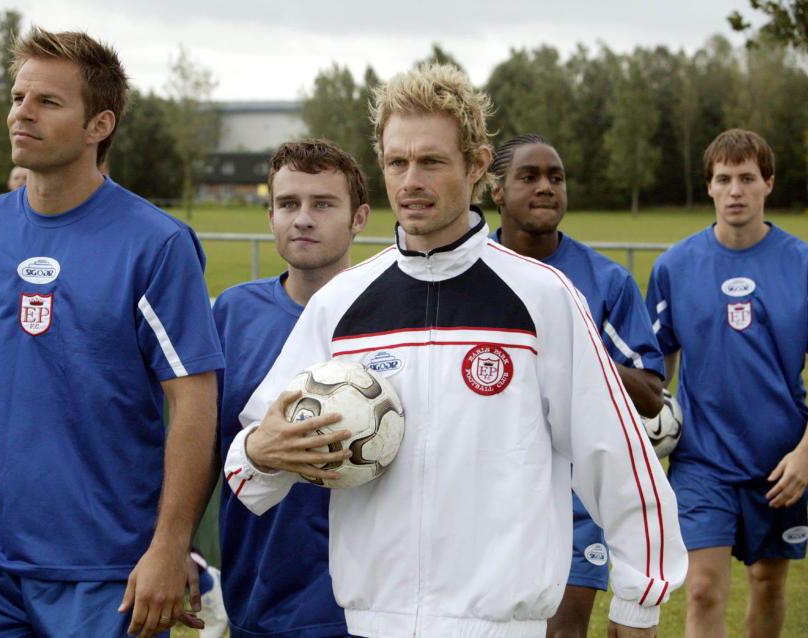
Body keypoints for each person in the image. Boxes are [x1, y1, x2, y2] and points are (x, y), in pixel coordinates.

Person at [225, 64, 686, 638]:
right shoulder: (341, 304)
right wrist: (263, 452)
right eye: (397, 162)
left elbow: (613, 454)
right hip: (371, 625)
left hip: (501, 626)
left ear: (475, 166)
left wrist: (640, 599)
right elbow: (249, 468)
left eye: (431, 161)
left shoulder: (541, 298)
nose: (410, 180)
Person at [0, 28, 223, 638]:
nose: (22, 113)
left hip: (106, 569)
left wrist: (170, 547)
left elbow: (194, 398)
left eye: (48, 102)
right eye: (17, 97)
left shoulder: (157, 244)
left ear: (100, 125)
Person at [488, 134, 666, 638]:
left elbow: (652, 396)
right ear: (496, 190)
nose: (545, 187)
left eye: (556, 177)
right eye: (529, 176)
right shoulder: (468, 274)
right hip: (484, 498)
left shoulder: (605, 281)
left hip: (574, 505)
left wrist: (576, 352)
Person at [647, 128, 808, 638]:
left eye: (746, 178)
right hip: (702, 459)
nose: (735, 189)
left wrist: (806, 453)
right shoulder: (674, 266)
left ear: (768, 184)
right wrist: (646, 431)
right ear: (710, 188)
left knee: (766, 583)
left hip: (781, 460)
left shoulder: (802, 264)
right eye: (724, 179)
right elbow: (656, 367)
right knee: (702, 589)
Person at [213, 139, 369, 638]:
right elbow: (199, 446)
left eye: (323, 204)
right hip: (257, 590)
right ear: (270, 215)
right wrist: (174, 545)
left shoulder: (392, 320)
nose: (302, 218)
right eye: (288, 204)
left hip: (366, 604)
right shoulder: (231, 313)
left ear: (359, 218)